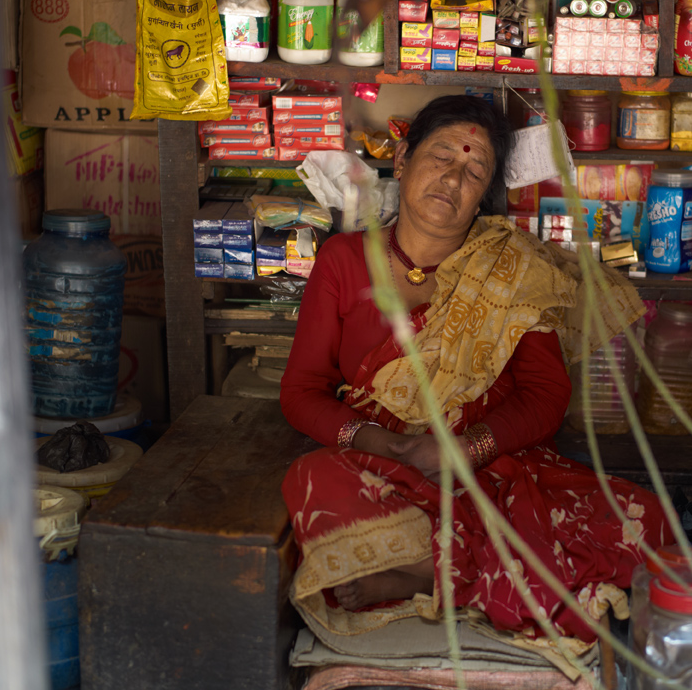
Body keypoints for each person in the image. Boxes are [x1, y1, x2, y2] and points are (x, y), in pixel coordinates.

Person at [280, 96, 672, 653]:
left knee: (646, 520)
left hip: (490, 469)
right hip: (381, 463)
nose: (452, 177)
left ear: (482, 196)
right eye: (441, 155)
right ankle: (480, 574)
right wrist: (386, 443)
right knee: (313, 478)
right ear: (404, 158)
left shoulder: (514, 272)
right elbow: (300, 393)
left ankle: (429, 575)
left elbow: (544, 396)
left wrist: (467, 448)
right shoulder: (344, 260)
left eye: (474, 171)